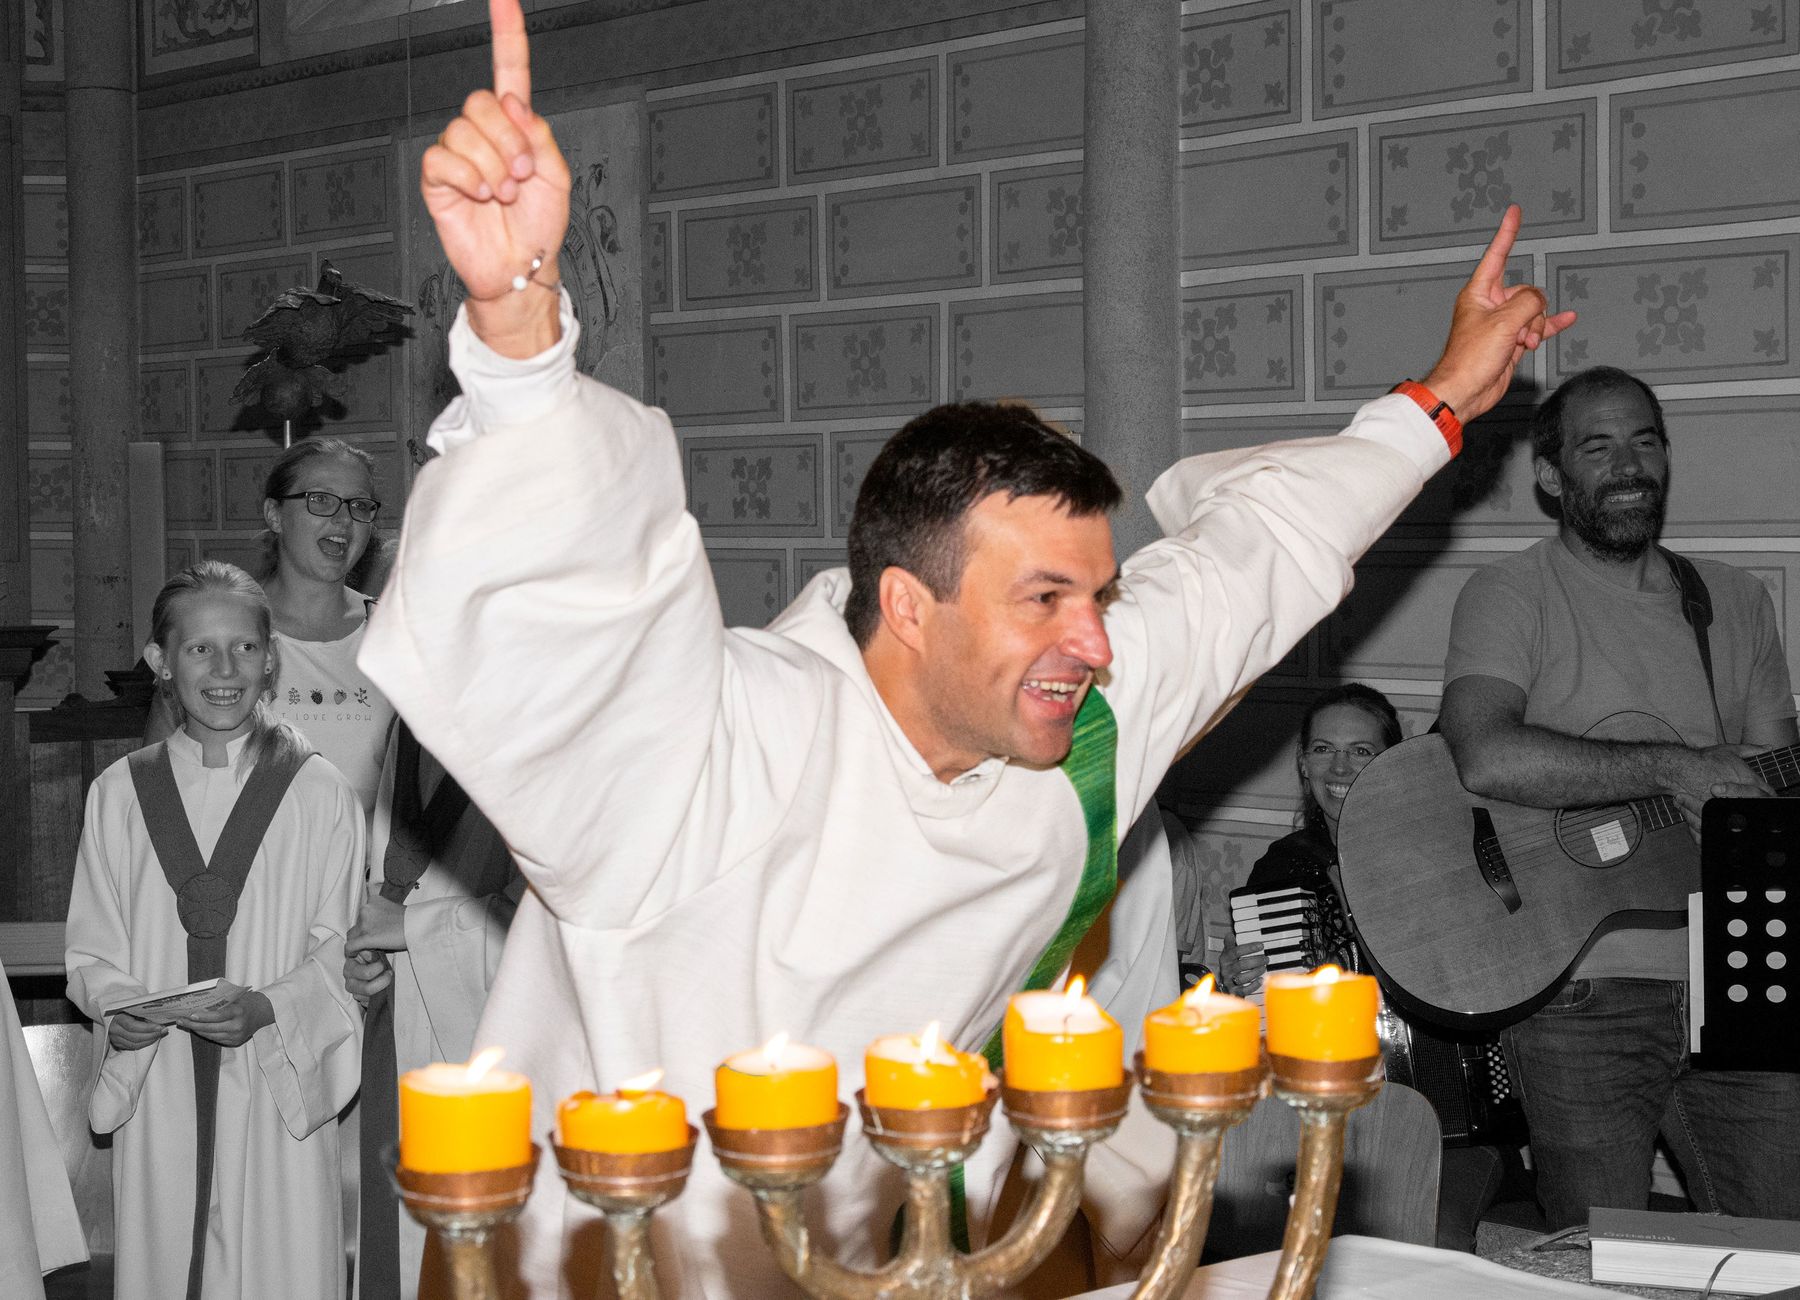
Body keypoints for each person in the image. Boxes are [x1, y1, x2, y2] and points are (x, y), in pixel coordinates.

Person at [358, 3, 1572, 1293]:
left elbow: (1249, 563)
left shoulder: (1069, 735)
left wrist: (1442, 402)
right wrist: (519, 337)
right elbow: (570, 611)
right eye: (1043, 597)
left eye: (1095, 592)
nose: (1093, 637)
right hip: (593, 1259)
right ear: (908, 605)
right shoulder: (720, 736)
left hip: (858, 1261)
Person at [1439, 365, 1800, 1229]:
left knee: (1777, 1249)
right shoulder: (1510, 593)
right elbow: (1483, 753)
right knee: (1596, 1260)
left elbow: (1775, 782)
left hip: (1738, 971)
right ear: (1551, 475)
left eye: (1645, 442)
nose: (1629, 465)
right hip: (1581, 992)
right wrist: (1675, 768)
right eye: (1598, 447)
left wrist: (1743, 804)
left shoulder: (1734, 601)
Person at [65, 561, 364, 1299]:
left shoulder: (318, 791)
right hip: (162, 1079)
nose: (225, 670)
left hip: (276, 1075)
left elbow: (338, 946)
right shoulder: (118, 795)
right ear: (162, 661)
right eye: (200, 649)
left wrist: (267, 1007)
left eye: (245, 648)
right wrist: (121, 1011)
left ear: (271, 659)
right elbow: (94, 949)